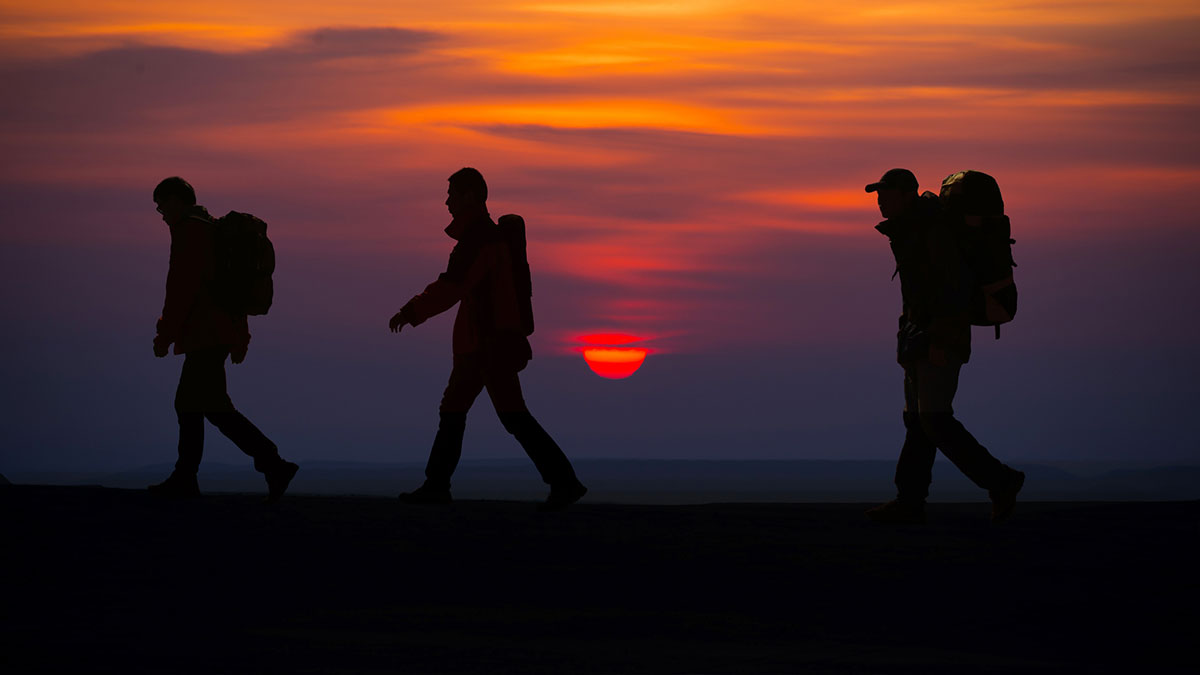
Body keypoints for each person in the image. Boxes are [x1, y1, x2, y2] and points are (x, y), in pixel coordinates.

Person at [389, 168, 586, 510]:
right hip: (488, 343)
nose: (447, 201)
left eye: (451, 194)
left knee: (491, 414)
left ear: (469, 197)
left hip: (485, 345)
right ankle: (562, 482)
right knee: (477, 412)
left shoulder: (480, 240)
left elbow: (452, 287)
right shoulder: (486, 239)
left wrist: (410, 312)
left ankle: (562, 482)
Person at [864, 168, 1024, 524]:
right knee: (918, 423)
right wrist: (907, 338)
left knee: (935, 421)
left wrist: (937, 341)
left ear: (908, 194)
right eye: (878, 194)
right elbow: (920, 294)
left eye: (886, 193)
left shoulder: (931, 231)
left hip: (939, 339)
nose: (880, 200)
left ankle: (1002, 481)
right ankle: (909, 501)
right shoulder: (911, 230)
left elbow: (952, 289)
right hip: (919, 337)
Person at [148, 177, 298, 501]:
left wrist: (164, 335)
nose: (160, 213)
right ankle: (271, 464)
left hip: (205, 334)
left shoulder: (190, 232)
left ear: (176, 201)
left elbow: (181, 289)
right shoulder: (211, 228)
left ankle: (191, 477)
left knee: (192, 403)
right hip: (217, 333)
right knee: (211, 406)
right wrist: (240, 336)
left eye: (162, 205)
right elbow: (229, 288)